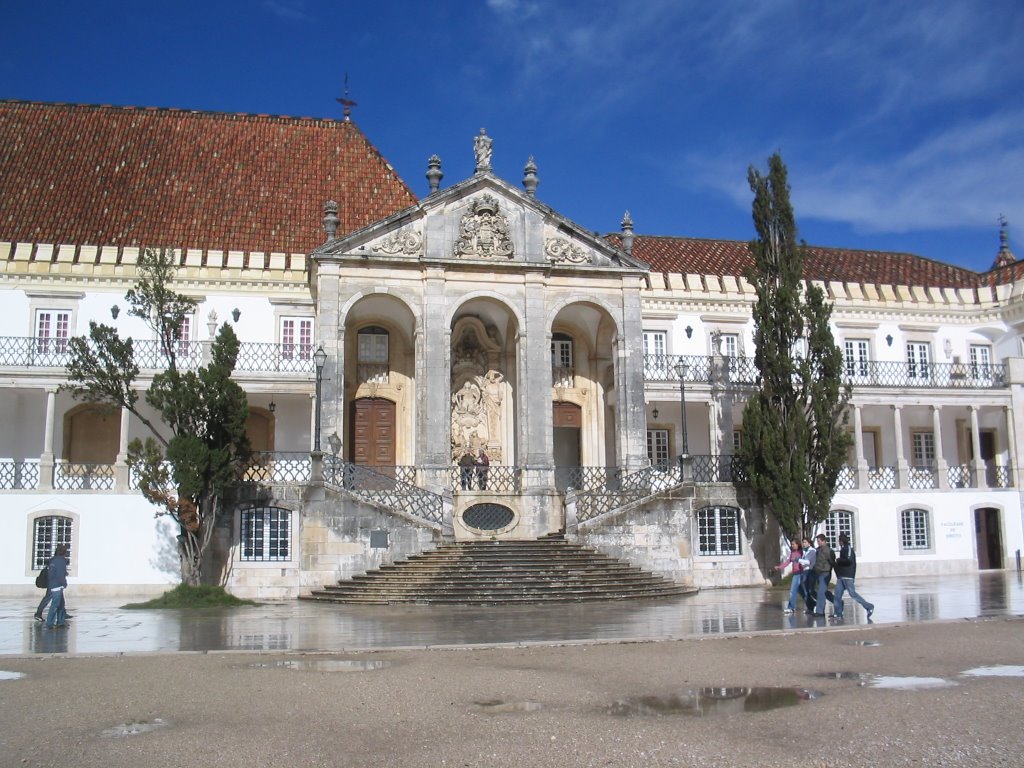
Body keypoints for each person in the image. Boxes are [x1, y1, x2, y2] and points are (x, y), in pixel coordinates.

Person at [833, 533, 875, 621]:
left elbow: (848, 560)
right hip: (841, 576)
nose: (838, 543)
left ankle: (868, 606)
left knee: (853, 594)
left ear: (841, 541)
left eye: (839, 541)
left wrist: (838, 560)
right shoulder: (843, 549)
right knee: (837, 595)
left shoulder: (848, 549)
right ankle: (838, 613)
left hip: (848, 576)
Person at [774, 539, 805, 614]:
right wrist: (779, 567)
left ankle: (791, 607)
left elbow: (805, 561)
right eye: (791, 544)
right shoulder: (793, 553)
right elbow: (788, 562)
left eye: (793, 544)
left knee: (794, 591)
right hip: (795, 573)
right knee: (801, 592)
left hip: (800, 573)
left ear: (798, 544)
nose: (792, 545)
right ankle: (812, 604)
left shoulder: (801, 552)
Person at [45, 544, 69, 628]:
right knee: (55, 605)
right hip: (57, 585)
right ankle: (50, 623)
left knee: (61, 604)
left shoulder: (53, 560)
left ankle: (61, 621)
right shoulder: (61, 561)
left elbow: (52, 573)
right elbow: (60, 575)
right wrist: (64, 583)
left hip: (53, 584)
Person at [812, 534, 834, 617]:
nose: (818, 543)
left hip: (825, 573)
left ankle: (820, 611)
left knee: (821, 592)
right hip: (818, 573)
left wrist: (828, 570)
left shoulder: (828, 550)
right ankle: (837, 602)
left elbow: (832, 562)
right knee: (824, 592)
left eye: (819, 541)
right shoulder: (818, 550)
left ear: (824, 541)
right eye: (817, 541)